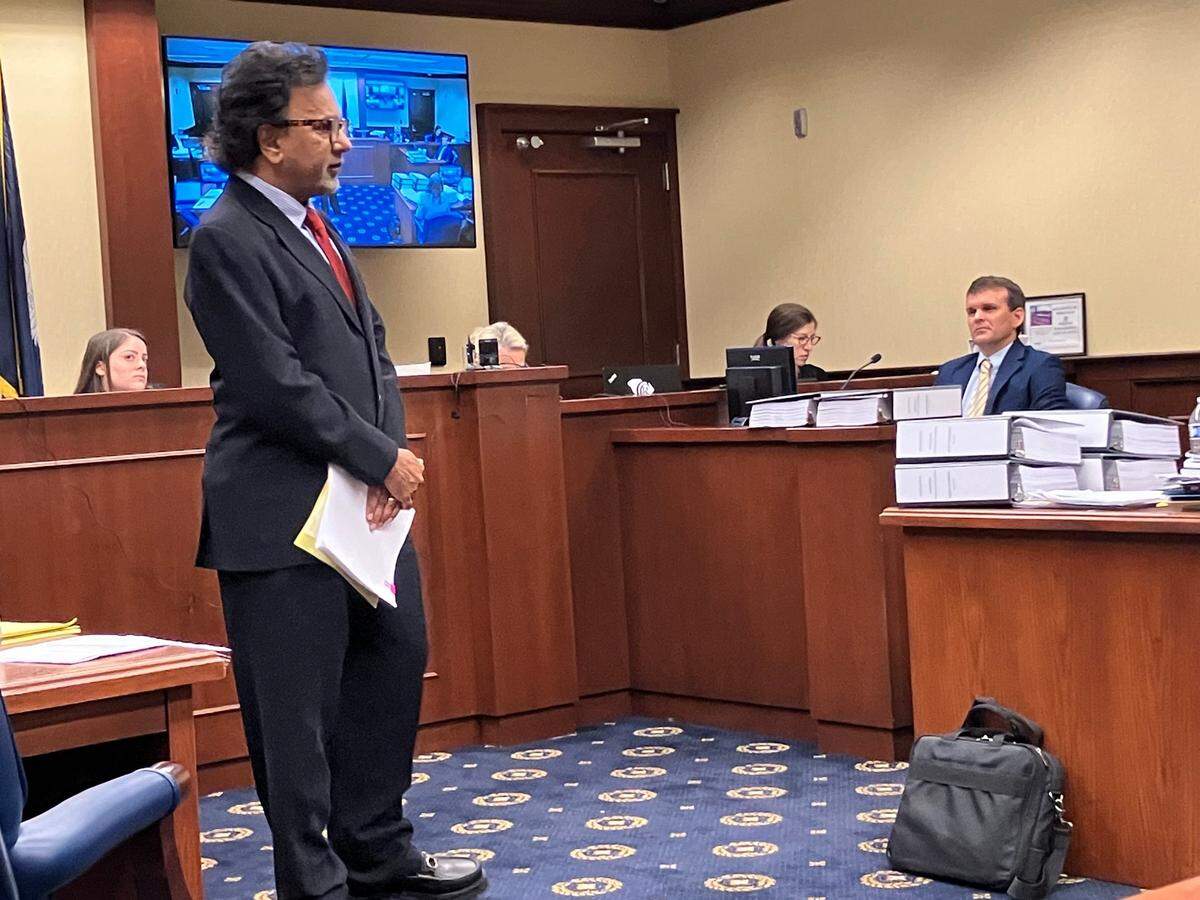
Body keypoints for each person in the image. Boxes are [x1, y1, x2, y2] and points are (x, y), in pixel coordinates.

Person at [183, 42, 484, 900]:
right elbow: (275, 384)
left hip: (363, 507)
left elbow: (373, 354)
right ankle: (314, 886)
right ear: (269, 139)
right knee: (297, 720)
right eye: (326, 125)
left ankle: (379, 855)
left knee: (392, 670)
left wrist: (385, 465)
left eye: (341, 123)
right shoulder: (225, 236)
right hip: (280, 520)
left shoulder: (322, 230)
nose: (345, 141)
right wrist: (381, 456)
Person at [935, 275, 1069, 416]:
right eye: (971, 312)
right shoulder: (950, 372)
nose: (977, 317)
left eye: (988, 309)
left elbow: (1050, 428)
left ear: (1017, 317)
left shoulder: (1040, 366)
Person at [755, 302, 827, 381]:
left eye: (812, 338)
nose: (809, 347)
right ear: (775, 341)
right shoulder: (755, 379)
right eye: (801, 338)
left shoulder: (816, 375)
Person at [73, 328, 149, 394]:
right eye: (129, 357)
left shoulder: (157, 407)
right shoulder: (73, 409)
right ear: (100, 368)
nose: (142, 365)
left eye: (144, 359)